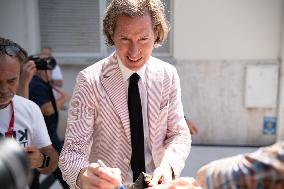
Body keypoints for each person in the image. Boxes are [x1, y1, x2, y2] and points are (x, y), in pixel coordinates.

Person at [59, 0, 192, 188]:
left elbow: (179, 134)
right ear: (111, 35)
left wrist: (168, 168)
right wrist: (83, 176)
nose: (134, 51)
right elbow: (72, 151)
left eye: (143, 39)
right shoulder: (89, 80)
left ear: (156, 34)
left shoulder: (167, 75)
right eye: (124, 39)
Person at [0, 37, 58, 188]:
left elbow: (51, 159)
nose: (4, 90)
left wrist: (40, 160)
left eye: (12, 81)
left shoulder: (30, 109)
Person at [28, 48, 70, 188]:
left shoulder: (42, 83)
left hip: (47, 135)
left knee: (34, 175)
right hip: (46, 137)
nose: (50, 68)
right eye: (44, 62)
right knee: (65, 172)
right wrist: (63, 99)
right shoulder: (36, 84)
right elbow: (47, 109)